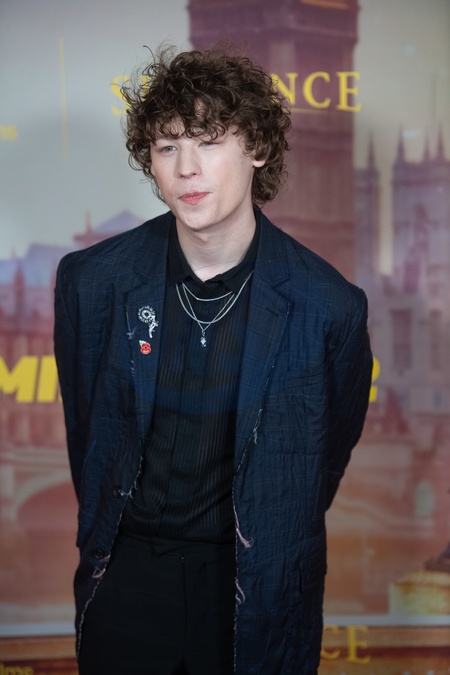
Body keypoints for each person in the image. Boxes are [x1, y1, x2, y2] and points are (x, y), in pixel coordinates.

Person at [54, 46, 373, 675]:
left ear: (258, 149)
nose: (187, 168)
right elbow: (89, 433)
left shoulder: (328, 305)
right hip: (126, 578)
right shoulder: (91, 281)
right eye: (167, 146)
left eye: (209, 141)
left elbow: (322, 459)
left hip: (256, 585)